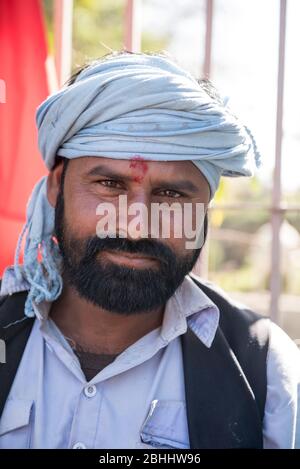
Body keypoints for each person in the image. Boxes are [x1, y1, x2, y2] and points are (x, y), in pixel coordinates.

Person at [0, 52, 299, 449]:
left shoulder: (263, 369)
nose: (136, 225)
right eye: (110, 185)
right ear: (57, 186)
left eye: (171, 194)